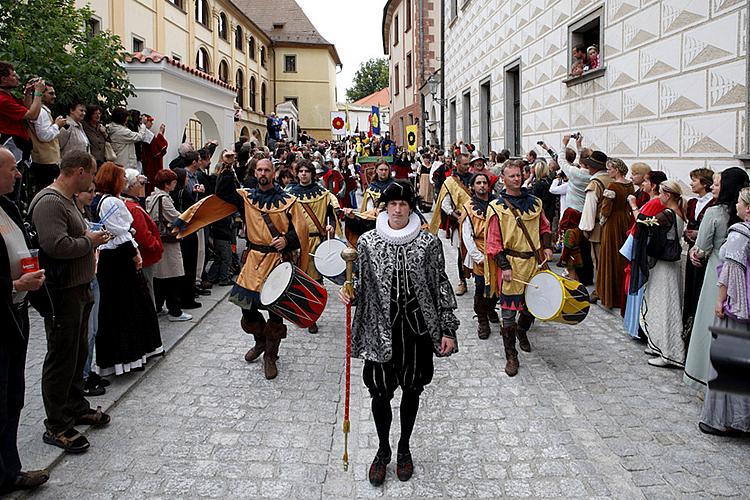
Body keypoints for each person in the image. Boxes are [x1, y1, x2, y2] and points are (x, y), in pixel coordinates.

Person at [338, 181, 458, 486]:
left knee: (412, 389)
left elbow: (440, 286)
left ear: (410, 208)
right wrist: (349, 293)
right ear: (385, 208)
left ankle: (404, 446)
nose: (398, 210)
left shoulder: (429, 243)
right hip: (380, 329)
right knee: (379, 392)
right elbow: (360, 286)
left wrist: (447, 329)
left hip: (416, 330)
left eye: (403, 204)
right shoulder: (367, 242)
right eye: (392, 204)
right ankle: (382, 450)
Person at [30, 150, 111, 453]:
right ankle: (57, 424)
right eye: (91, 174)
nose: (93, 181)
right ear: (79, 171)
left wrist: (89, 238)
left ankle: (76, 406)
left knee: (77, 354)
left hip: (79, 288)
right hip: (62, 291)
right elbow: (57, 246)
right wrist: (90, 241)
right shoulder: (50, 202)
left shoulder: (67, 201)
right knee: (62, 357)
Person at [210, 157, 310, 379]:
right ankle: (261, 341)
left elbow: (300, 232)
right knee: (245, 306)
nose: (263, 173)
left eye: (267, 170)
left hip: (277, 261)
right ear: (255, 173)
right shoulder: (246, 198)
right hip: (253, 260)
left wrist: (287, 240)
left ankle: (271, 355)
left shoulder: (289, 200)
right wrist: (226, 166)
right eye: (259, 170)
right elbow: (222, 193)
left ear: (274, 173)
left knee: (275, 310)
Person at [0, 147, 51, 494]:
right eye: (12, 169)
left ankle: (9, 469)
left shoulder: (7, 206)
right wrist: (15, 284)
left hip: (16, 313)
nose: (19, 175)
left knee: (12, 397)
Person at [93, 163, 163, 376]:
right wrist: (135, 254)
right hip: (118, 261)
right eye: (121, 177)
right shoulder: (112, 202)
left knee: (121, 308)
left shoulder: (102, 200)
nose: (124, 181)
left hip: (111, 259)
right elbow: (121, 233)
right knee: (125, 308)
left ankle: (129, 356)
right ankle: (127, 358)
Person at [485, 160, 553, 376]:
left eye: (518, 175)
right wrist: (504, 266)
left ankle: (522, 331)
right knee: (507, 314)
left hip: (534, 262)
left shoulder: (535, 202)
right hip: (511, 265)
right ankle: (511, 355)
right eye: (511, 176)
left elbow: (544, 226)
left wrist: (548, 246)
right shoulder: (496, 207)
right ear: (503, 179)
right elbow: (493, 242)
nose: (516, 178)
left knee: (531, 306)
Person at [684, 167, 750, 389]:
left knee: (709, 325)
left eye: (717, 183)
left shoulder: (715, 213)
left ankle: (705, 377)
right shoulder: (739, 217)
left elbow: (702, 248)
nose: (713, 187)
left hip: (717, 274)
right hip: (743, 281)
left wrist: (695, 252)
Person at [698, 186, 750, 436]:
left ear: (748, 208)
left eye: (740, 202)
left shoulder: (740, 234)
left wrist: (722, 302)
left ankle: (726, 420)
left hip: (738, 310)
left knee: (727, 360)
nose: (736, 206)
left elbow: (731, 272)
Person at [287, 159, 338, 334]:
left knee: (315, 282)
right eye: (300, 171)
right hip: (296, 243)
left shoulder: (323, 194)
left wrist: (331, 225)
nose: (303, 174)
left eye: (306, 171)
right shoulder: (289, 194)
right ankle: (301, 313)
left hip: (316, 243)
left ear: (312, 174)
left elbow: (331, 213)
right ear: (297, 173)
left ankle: (312, 317)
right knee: (297, 280)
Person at [639, 180, 686, 368]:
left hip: (665, 265)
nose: (658, 196)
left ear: (667, 195)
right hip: (667, 265)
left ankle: (669, 351)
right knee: (660, 303)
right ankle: (657, 343)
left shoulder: (667, 214)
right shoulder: (678, 213)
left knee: (664, 305)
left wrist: (635, 208)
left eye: (660, 193)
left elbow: (643, 222)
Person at [540, 138, 590, 283]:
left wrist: (563, 143)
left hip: (572, 215)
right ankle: (584, 275)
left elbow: (560, 160)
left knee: (571, 247)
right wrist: (579, 146)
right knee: (584, 247)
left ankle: (572, 274)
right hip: (585, 214)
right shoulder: (592, 174)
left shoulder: (575, 174)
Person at [145, 169, 192, 322]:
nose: (175, 184)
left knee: (160, 275)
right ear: (166, 184)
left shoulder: (151, 197)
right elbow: (177, 217)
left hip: (159, 239)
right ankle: (175, 311)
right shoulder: (163, 199)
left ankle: (158, 306)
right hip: (168, 241)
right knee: (173, 275)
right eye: (173, 182)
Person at [460, 172, 498, 339]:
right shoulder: (468, 207)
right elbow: (467, 235)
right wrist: (478, 257)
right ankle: (482, 320)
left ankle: (490, 309)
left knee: (497, 287)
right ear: (473, 186)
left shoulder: (498, 204)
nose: (482, 185)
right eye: (479, 183)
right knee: (481, 287)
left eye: (484, 182)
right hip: (480, 250)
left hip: (497, 251)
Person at [0, 64, 46, 202]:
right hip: (12, 147)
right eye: (13, 75)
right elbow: (32, 114)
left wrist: (28, 93)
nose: (17, 77)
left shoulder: (9, 96)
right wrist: (38, 93)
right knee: (11, 193)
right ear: (3, 79)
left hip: (19, 147)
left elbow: (26, 108)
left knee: (17, 191)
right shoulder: (2, 100)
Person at [430, 152, 473, 295]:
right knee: (461, 252)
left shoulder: (475, 179)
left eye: (469, 164)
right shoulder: (450, 182)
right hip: (459, 221)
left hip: (477, 221)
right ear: (458, 164)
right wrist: (457, 217)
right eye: (465, 164)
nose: (468, 167)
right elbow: (445, 204)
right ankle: (462, 281)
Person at [596, 158, 634, 309]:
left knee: (610, 256)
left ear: (617, 170)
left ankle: (609, 296)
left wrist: (602, 221)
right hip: (625, 220)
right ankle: (621, 295)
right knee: (622, 257)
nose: (608, 171)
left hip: (612, 224)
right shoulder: (629, 185)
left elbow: (605, 209)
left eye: (610, 169)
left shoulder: (612, 186)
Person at [682, 168, 715, 340]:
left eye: (694, 180)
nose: (691, 183)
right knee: (690, 287)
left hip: (705, 254)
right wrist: (688, 234)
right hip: (692, 250)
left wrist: (699, 234)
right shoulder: (693, 203)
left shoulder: (713, 204)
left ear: (704, 183)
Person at [122, 168, 163, 304]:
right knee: (146, 288)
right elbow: (143, 235)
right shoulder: (133, 208)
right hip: (144, 256)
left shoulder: (129, 205)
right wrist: (155, 244)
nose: (142, 187)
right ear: (132, 186)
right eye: (140, 184)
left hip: (140, 254)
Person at [579, 150, 613, 300]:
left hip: (599, 227)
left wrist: (586, 228)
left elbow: (590, 207)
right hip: (613, 226)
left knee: (599, 261)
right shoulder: (613, 180)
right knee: (610, 260)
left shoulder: (595, 183)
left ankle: (600, 290)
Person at [171, 166, 202, 309]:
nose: (188, 179)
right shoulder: (184, 193)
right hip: (188, 233)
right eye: (186, 177)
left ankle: (182, 296)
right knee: (190, 265)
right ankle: (188, 298)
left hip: (181, 234)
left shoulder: (173, 194)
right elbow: (192, 211)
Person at [27, 82, 65, 194]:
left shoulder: (42, 111)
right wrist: (57, 125)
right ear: (41, 94)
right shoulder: (41, 112)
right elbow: (44, 136)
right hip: (45, 162)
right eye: (51, 93)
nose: (54, 96)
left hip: (46, 160)